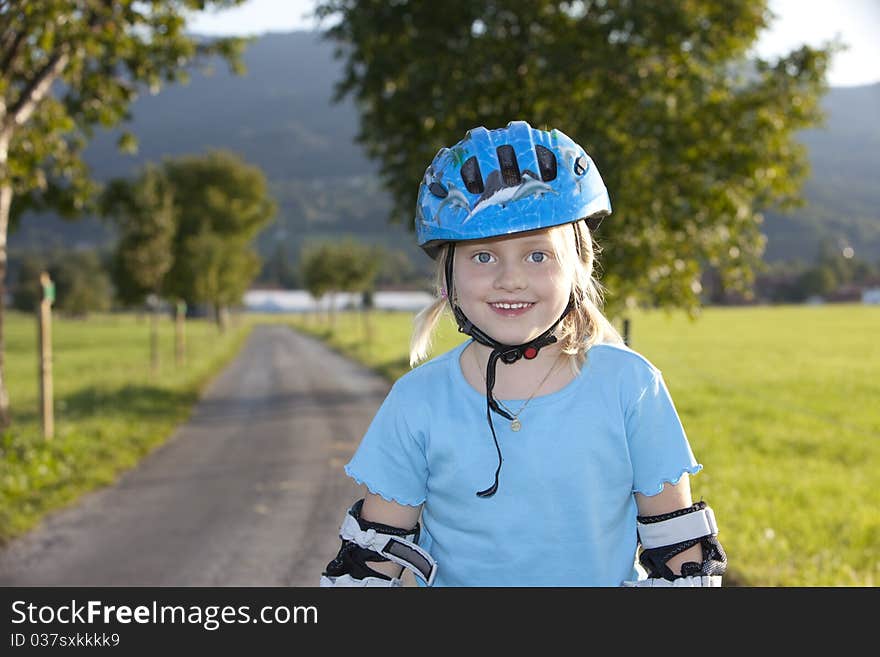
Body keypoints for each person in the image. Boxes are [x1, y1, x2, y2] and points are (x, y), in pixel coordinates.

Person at [320, 121, 727, 587]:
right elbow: (374, 557)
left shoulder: (630, 386)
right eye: (483, 256)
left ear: (579, 265)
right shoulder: (417, 401)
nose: (510, 279)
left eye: (537, 255)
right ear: (447, 276)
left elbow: (679, 551)